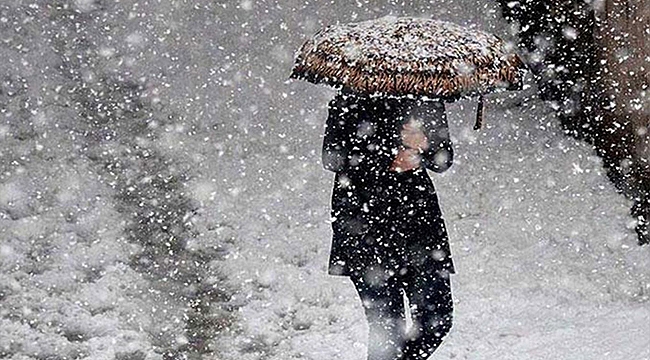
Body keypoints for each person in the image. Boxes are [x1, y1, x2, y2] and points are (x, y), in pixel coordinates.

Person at [322, 90, 455, 360]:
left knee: (437, 317)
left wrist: (424, 146)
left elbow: (444, 158)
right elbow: (333, 157)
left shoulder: (425, 93)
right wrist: (390, 155)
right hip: (364, 225)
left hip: (418, 225)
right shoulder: (351, 96)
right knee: (387, 330)